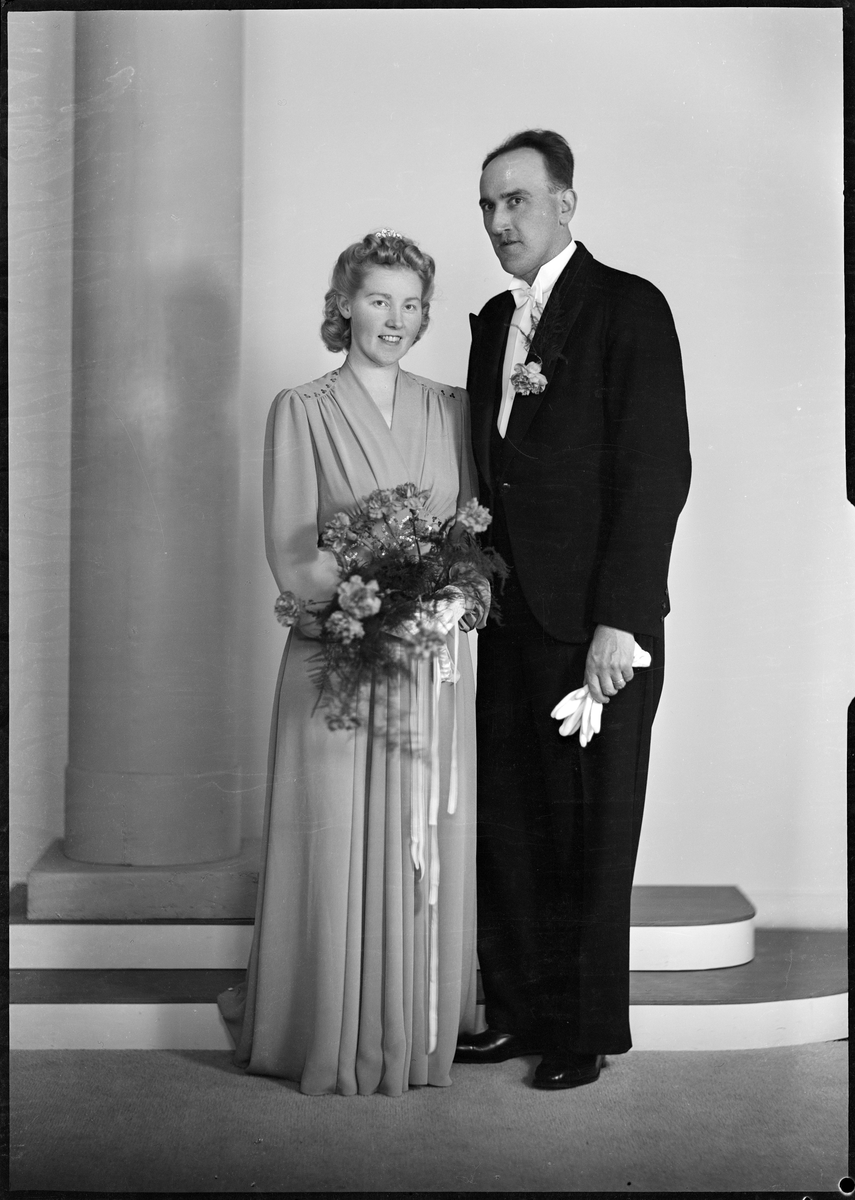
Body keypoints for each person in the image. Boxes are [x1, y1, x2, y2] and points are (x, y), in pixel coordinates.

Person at [218, 230, 483, 1096]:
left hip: (432, 668)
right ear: (343, 306)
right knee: (334, 846)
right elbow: (293, 553)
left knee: (421, 848)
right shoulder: (300, 408)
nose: (395, 320)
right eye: (377, 300)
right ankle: (328, 1033)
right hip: (343, 659)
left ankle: (414, 1035)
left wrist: (453, 596)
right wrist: (382, 609)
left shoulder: (451, 408)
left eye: (411, 304)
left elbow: (471, 535)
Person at [455, 130, 691, 1089]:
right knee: (510, 827)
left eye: (515, 199)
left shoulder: (627, 307)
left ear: (564, 203)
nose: (498, 220)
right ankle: (515, 1012)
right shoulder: (489, 324)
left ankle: (581, 1032)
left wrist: (618, 622)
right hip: (509, 621)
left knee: (589, 835)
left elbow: (655, 471)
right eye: (486, 205)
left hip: (598, 627)